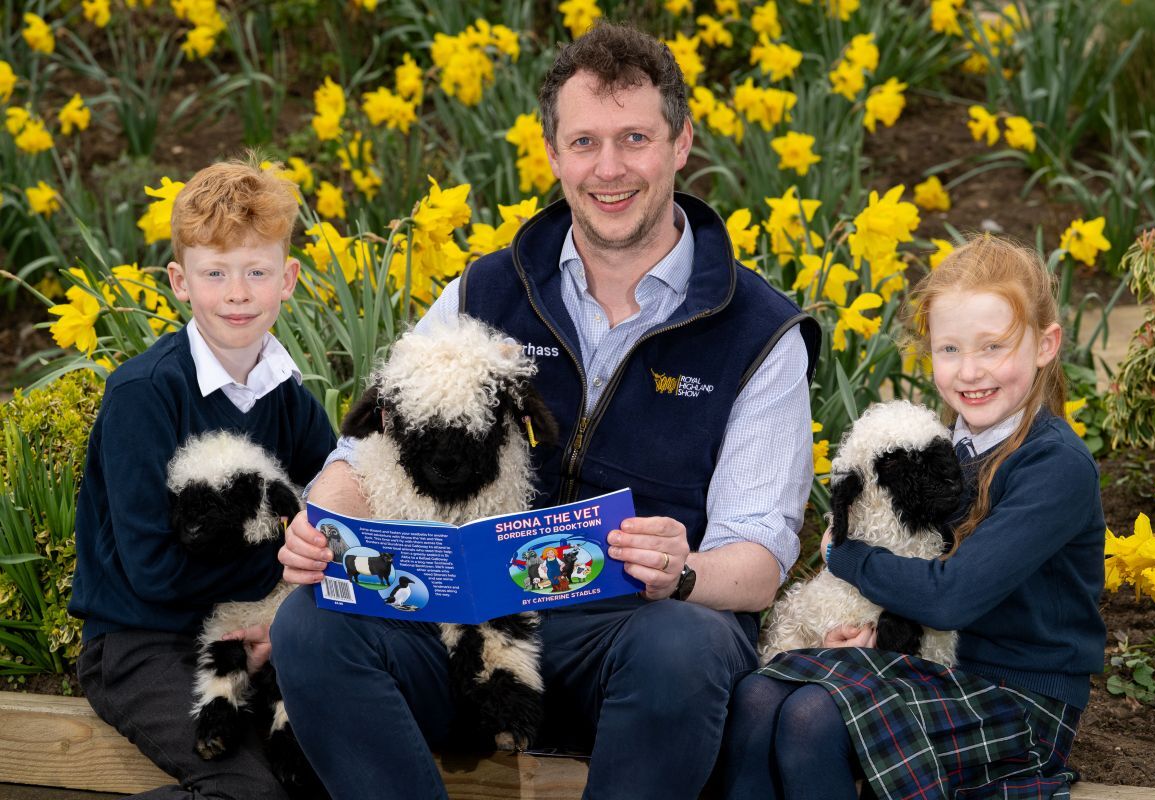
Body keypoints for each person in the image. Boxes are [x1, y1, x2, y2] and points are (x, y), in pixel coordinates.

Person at [271, 22, 820, 800]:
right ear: (552, 151)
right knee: (313, 625)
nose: (610, 168)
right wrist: (320, 526)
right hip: (474, 627)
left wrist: (685, 567)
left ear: (681, 142)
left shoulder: (759, 332)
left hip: (634, 637)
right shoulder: (484, 290)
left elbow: (758, 565)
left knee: (687, 645)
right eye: (585, 141)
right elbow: (365, 451)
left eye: (635, 138)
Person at [721, 235, 1106, 800]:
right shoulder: (942, 446)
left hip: (1020, 700)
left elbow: (951, 596)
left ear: (1045, 345)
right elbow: (917, 574)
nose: (970, 371)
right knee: (758, 698)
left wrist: (843, 555)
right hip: (934, 667)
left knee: (813, 715)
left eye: (993, 347)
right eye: (949, 350)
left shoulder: (1054, 467)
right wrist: (877, 634)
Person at [68, 159, 337, 799]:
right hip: (142, 643)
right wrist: (282, 569)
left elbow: (332, 521)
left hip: (245, 630)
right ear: (180, 281)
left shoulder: (290, 399)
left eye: (256, 271)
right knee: (248, 791)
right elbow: (154, 572)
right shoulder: (144, 394)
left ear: (288, 279)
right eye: (215, 273)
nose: (237, 293)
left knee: (321, 766)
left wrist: (281, 613)